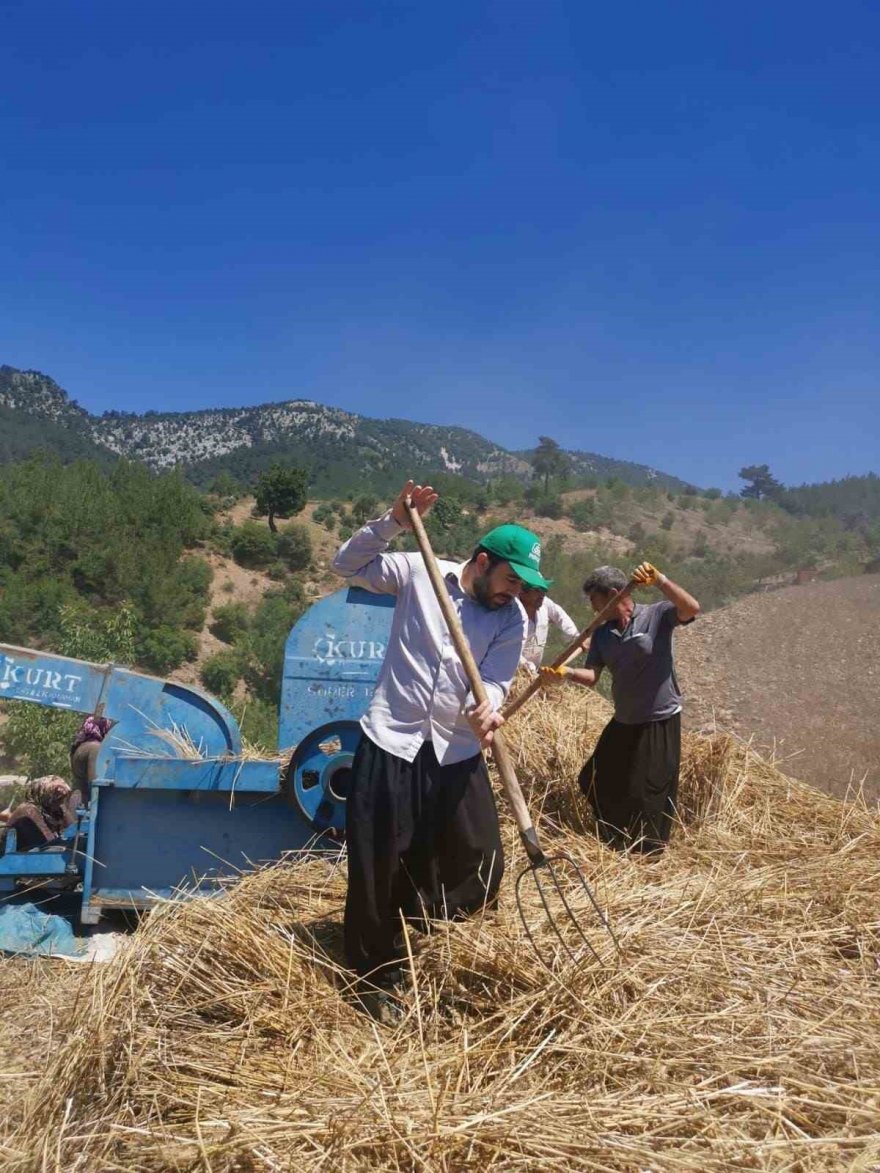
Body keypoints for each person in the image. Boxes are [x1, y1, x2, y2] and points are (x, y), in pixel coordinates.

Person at [332, 480, 551, 1020]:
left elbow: (496, 678)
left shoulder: (511, 619)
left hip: (455, 751)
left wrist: (489, 706)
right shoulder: (417, 572)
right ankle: (373, 977)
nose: (515, 592)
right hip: (393, 741)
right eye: (511, 579)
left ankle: (430, 944)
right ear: (483, 561)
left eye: (524, 585)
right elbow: (346, 564)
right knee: (379, 862)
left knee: (479, 859)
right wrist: (392, 523)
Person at [540, 562, 699, 854]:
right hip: (625, 719)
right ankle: (614, 835)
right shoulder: (602, 634)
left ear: (613, 594)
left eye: (594, 599)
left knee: (648, 791)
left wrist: (661, 580)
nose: (592, 607)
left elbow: (691, 608)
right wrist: (565, 673)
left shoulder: (656, 615)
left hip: (658, 719)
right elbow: (592, 676)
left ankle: (647, 853)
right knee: (593, 778)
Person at [1, 776, 77, 853]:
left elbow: (75, 829)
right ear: (45, 795)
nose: (59, 802)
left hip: (32, 852)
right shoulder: (28, 808)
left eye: (62, 798)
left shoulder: (54, 810)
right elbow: (49, 840)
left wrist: (63, 807)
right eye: (55, 797)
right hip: (11, 854)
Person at [518, 585, 582, 674]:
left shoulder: (545, 603)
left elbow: (561, 616)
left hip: (534, 670)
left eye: (543, 590)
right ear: (522, 592)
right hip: (513, 671)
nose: (542, 595)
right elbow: (510, 650)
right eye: (537, 590)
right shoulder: (511, 613)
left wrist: (577, 636)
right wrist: (527, 666)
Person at [69, 714, 112, 804]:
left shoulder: (78, 748)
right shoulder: (96, 748)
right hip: (90, 804)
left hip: (78, 801)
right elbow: (94, 782)